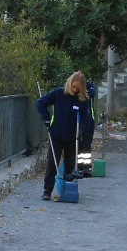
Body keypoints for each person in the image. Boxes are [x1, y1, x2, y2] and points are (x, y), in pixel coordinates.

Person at [37, 71, 93, 201]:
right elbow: (40, 103)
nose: (74, 90)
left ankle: (66, 190)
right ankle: (47, 191)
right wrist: (46, 119)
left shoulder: (82, 100)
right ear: (69, 84)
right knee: (52, 163)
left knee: (70, 164)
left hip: (72, 138)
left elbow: (86, 118)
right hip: (56, 134)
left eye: (77, 88)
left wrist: (82, 130)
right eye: (73, 87)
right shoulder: (58, 93)